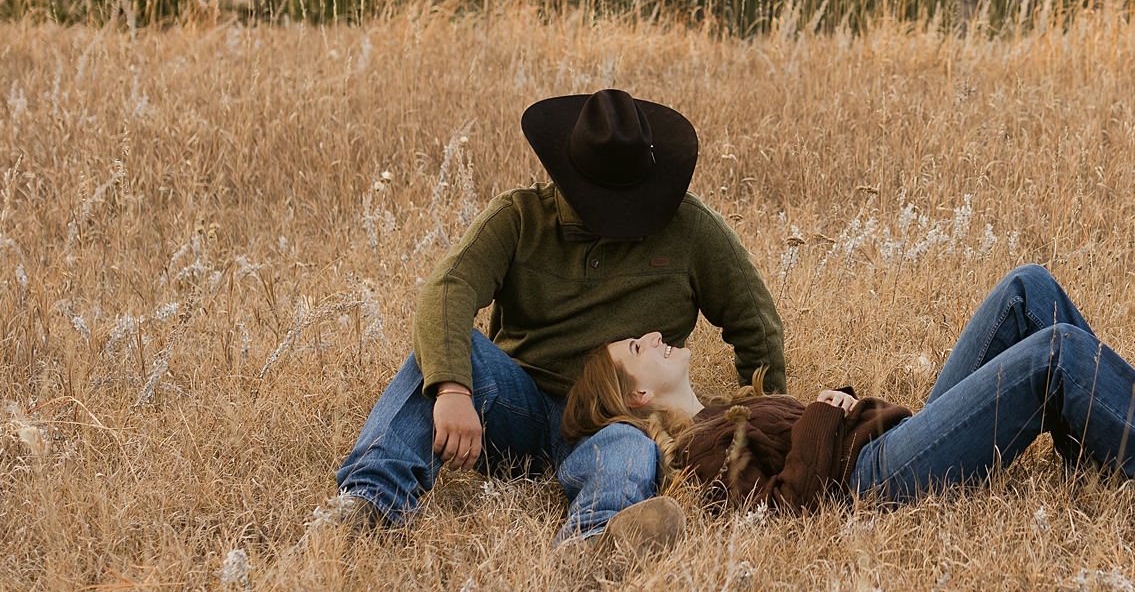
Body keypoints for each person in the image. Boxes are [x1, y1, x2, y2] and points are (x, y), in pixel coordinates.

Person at [307, 89, 786, 556]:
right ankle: (368, 503)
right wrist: (453, 389)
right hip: (521, 401)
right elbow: (446, 293)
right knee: (445, 359)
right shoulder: (517, 217)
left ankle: (590, 545)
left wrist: (761, 421)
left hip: (615, 409)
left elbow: (755, 322)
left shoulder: (692, 227)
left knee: (630, 450)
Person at [563, 263, 1135, 537]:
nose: (655, 334)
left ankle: (1101, 451)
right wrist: (827, 412)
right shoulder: (695, 449)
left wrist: (832, 408)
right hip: (878, 482)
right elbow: (784, 515)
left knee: (1030, 290)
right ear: (634, 394)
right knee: (1057, 353)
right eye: (637, 347)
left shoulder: (725, 408)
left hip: (892, 438)